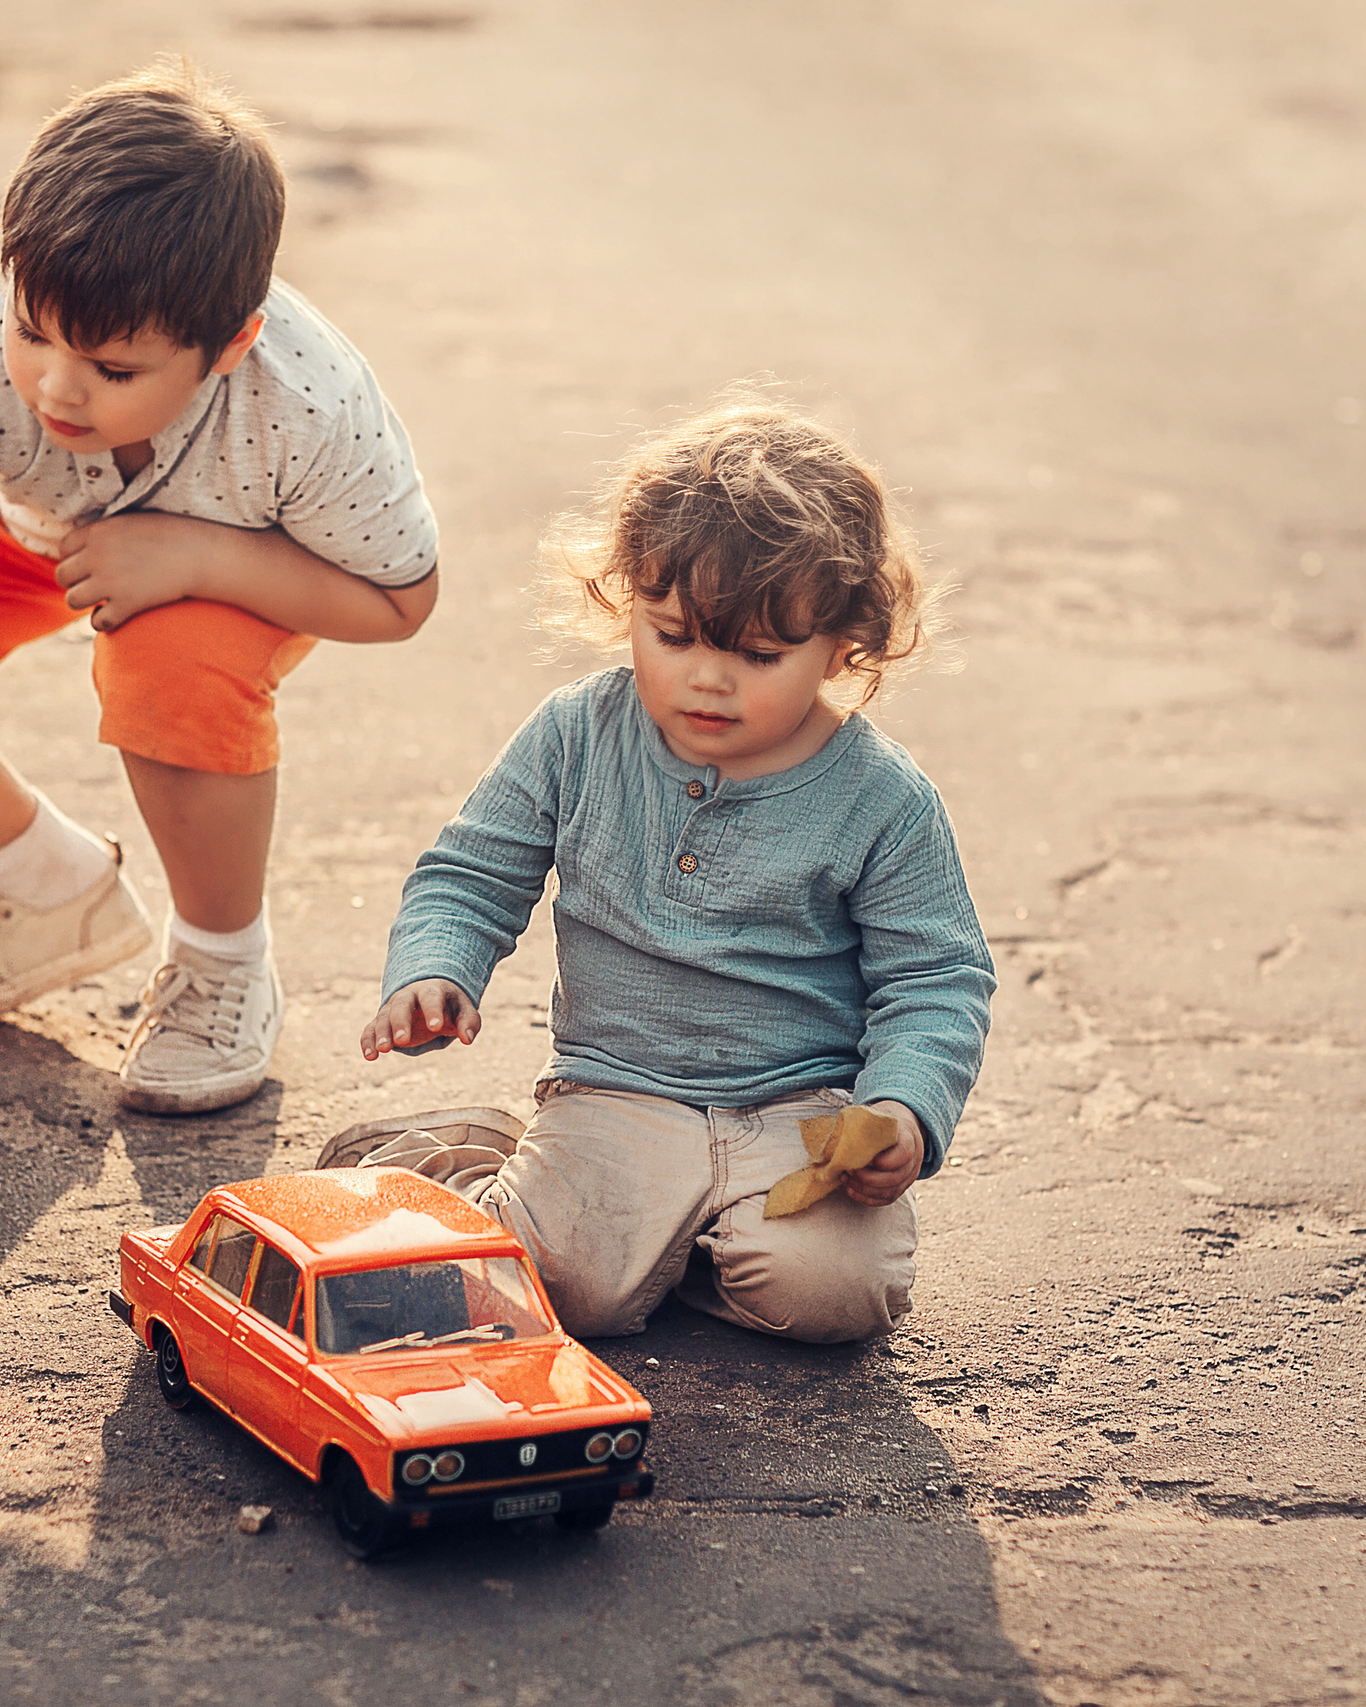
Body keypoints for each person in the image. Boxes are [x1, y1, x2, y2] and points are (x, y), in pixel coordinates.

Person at [0, 60, 440, 1114]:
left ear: (230, 343)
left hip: (242, 554)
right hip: (27, 525)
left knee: (173, 667)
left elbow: (400, 601)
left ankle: (220, 962)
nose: (57, 386)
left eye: (113, 369)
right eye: (32, 332)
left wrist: (198, 559)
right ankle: (44, 888)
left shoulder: (307, 403)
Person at [345, 399, 992, 1343]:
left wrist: (903, 1107)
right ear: (626, 602)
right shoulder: (578, 733)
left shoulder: (883, 798)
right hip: (617, 1090)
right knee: (566, 1295)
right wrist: (435, 969)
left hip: (799, 1111)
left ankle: (685, 1242)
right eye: (674, 635)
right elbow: (472, 871)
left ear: (845, 643)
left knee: (832, 1298)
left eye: (760, 655)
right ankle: (463, 1162)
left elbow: (937, 979)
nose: (707, 679)